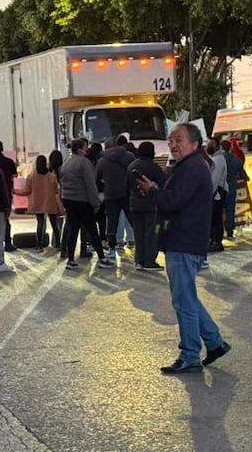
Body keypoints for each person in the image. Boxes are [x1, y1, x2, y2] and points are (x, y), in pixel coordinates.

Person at [136, 123, 230, 374]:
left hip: (184, 242)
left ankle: (190, 355)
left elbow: (173, 201)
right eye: (170, 140)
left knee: (184, 302)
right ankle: (214, 342)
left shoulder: (192, 167)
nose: (173, 144)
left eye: (178, 139)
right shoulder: (190, 165)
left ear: (195, 143)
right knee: (187, 298)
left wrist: (153, 190)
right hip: (184, 240)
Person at [59, 139, 114, 270]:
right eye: (84, 148)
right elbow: (90, 184)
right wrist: (95, 203)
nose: (86, 150)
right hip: (82, 200)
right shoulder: (84, 163)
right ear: (79, 149)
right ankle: (102, 258)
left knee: (73, 229)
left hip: (68, 199)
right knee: (92, 229)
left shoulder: (66, 163)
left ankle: (71, 259)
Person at [127, 141, 165, 270]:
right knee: (151, 233)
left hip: (134, 203)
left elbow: (127, 185)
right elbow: (163, 184)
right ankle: (149, 261)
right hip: (151, 204)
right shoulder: (154, 167)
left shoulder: (131, 166)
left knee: (138, 233)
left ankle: (139, 260)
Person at [96, 136, 135, 257]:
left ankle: (112, 248)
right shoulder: (129, 156)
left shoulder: (102, 161)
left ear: (106, 147)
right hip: (127, 193)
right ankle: (140, 245)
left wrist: (102, 189)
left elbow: (97, 179)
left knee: (112, 222)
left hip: (110, 195)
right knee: (133, 219)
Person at [13, 154, 61, 252]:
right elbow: (56, 190)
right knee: (54, 224)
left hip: (37, 203)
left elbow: (27, 190)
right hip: (50, 203)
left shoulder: (32, 176)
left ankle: (39, 245)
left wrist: (15, 191)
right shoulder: (51, 176)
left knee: (40, 223)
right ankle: (58, 244)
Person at [0, 140, 18, 251]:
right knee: (5, 218)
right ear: (2, 148)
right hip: (6, 193)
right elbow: (14, 175)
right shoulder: (8, 161)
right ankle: (7, 242)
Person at [221, 139, 248, 239]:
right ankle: (230, 232)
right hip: (232, 188)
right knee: (230, 210)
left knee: (219, 211)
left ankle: (219, 232)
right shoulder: (236, 160)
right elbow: (244, 175)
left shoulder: (219, 159)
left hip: (220, 188)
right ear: (230, 148)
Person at [206, 140, 227, 252]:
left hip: (216, 194)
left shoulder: (218, 160)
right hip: (214, 194)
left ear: (217, 146)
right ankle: (213, 240)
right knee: (214, 218)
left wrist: (210, 193)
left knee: (216, 219)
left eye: (211, 145)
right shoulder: (215, 158)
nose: (209, 146)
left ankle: (216, 242)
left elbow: (215, 179)